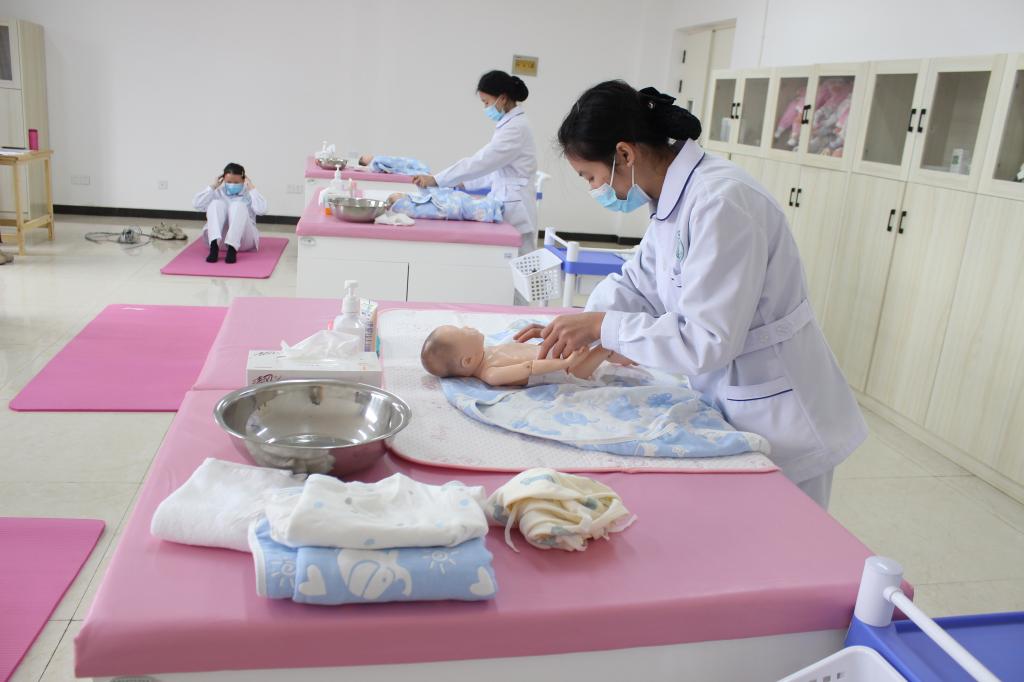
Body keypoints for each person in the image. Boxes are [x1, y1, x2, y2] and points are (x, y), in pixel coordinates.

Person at [516, 80, 866, 508]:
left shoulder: (721, 202)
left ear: (624, 154)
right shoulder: (671, 199)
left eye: (591, 177)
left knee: (784, 528)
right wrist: (580, 328)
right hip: (730, 389)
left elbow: (705, 339)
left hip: (782, 409)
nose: (595, 190)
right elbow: (638, 281)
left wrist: (603, 328)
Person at [411, 70, 538, 254]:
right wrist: (463, 182)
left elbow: (482, 162)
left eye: (486, 102)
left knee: (521, 260)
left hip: (516, 206)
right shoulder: (510, 124)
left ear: (502, 98)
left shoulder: (516, 128)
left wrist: (437, 179)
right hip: (508, 198)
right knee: (510, 258)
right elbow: (496, 170)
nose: (485, 108)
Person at [420, 325, 610, 386]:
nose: (468, 327)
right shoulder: (491, 374)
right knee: (607, 346)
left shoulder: (488, 352)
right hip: (569, 371)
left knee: (594, 335)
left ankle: (618, 357)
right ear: (467, 360)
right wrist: (566, 363)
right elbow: (530, 367)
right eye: (463, 331)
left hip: (557, 354)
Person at [192, 162, 267, 263]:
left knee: (238, 206)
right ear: (223, 179)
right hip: (220, 242)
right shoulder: (217, 192)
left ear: (244, 180)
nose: (232, 185)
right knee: (216, 203)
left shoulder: (249, 194)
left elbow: (262, 210)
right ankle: (214, 247)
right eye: (229, 182)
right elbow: (197, 204)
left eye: (236, 182)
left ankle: (232, 248)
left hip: (243, 241)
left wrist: (252, 188)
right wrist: (213, 186)